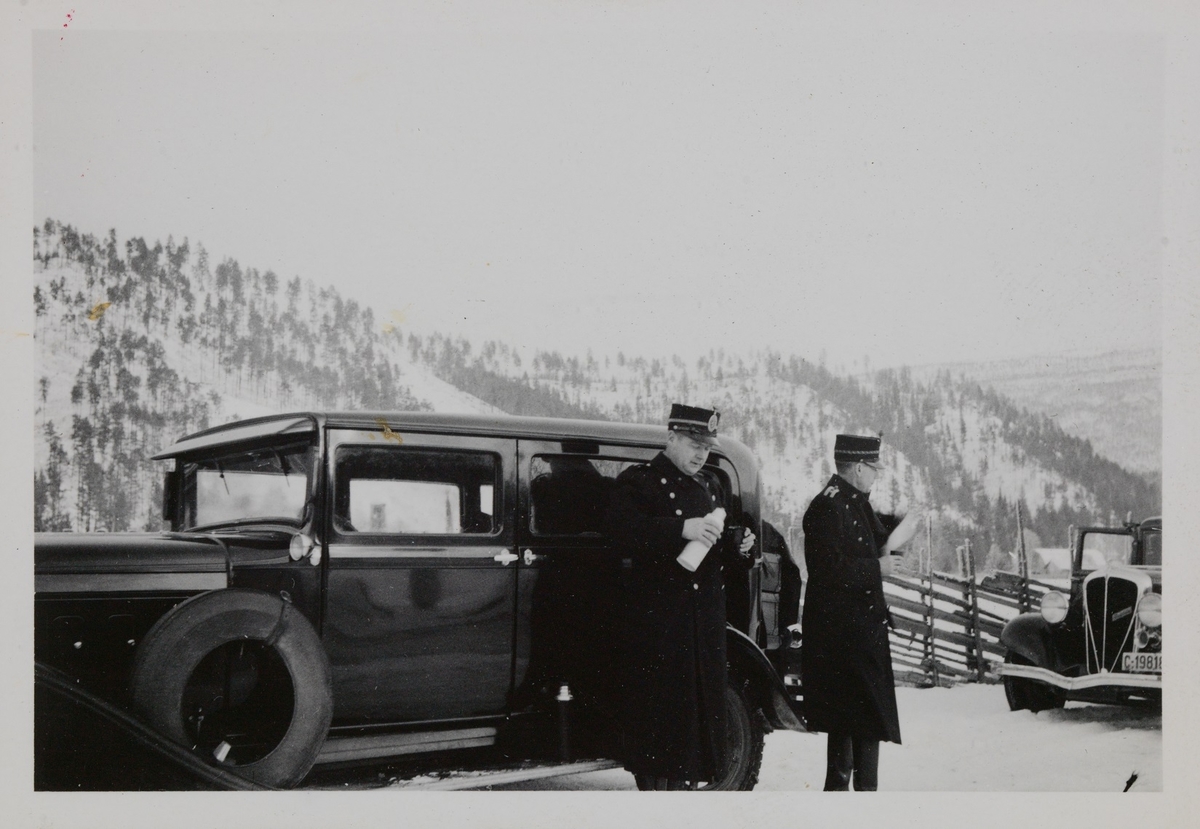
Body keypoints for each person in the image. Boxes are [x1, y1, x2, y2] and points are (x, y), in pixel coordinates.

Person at [605, 403, 756, 791]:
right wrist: (680, 529)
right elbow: (622, 532)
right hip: (661, 628)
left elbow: (715, 554)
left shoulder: (707, 487)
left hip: (700, 627)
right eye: (693, 444)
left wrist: (739, 547)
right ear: (671, 438)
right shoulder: (639, 482)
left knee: (692, 733)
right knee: (661, 732)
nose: (701, 454)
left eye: (706, 447)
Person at [800, 433, 908, 791]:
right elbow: (826, 568)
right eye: (874, 469)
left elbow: (871, 538)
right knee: (850, 726)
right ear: (858, 468)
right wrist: (878, 568)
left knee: (866, 723)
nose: (876, 475)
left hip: (859, 634)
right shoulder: (828, 506)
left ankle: (863, 800)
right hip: (842, 640)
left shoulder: (854, 502)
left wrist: (896, 532)